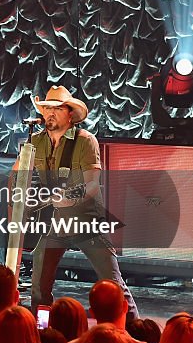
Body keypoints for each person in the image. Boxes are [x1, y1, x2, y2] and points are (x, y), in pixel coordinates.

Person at [21, 86, 138, 316]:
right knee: (38, 283)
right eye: (46, 108)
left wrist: (68, 198)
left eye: (56, 109)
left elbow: (93, 185)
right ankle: (40, 331)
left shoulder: (85, 141)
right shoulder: (35, 141)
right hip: (56, 223)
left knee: (113, 285)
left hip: (87, 222)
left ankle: (136, 330)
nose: (50, 113)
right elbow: (19, 173)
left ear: (70, 114)